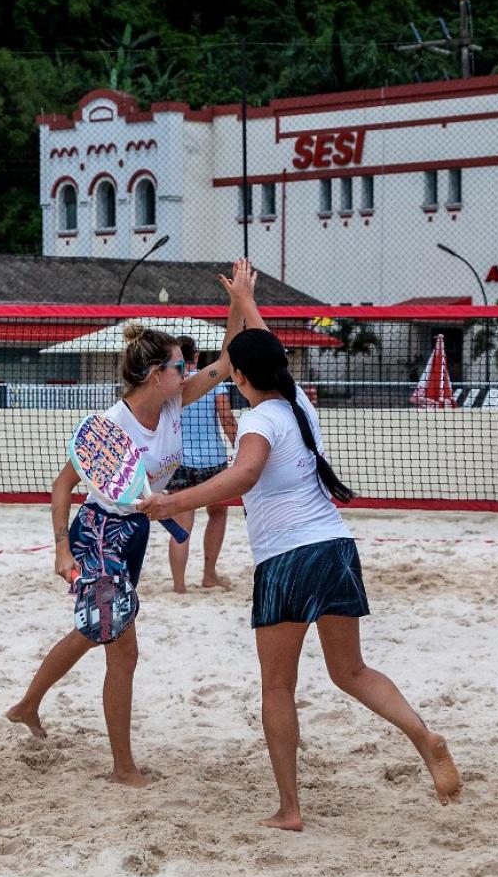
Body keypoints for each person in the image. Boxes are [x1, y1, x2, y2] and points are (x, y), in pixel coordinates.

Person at [141, 262, 462, 829]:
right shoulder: (297, 404)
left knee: (277, 687)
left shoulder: (259, 422)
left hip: (287, 559)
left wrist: (174, 503)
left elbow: (242, 476)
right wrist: (243, 301)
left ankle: (290, 809)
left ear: (238, 377)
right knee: (352, 671)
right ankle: (424, 736)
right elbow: (268, 351)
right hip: (334, 547)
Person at [5, 274, 248, 786]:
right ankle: (122, 767)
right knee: (122, 646)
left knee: (94, 631)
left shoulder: (176, 404)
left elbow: (227, 362)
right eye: (181, 366)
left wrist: (238, 302)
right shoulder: (110, 425)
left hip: (136, 533)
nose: (188, 372)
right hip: (99, 535)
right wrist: (60, 549)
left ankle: (27, 704)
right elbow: (61, 485)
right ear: (156, 373)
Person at [166, 334, 238, 592]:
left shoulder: (169, 385)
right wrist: (241, 450)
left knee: (182, 525)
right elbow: (227, 420)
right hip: (213, 460)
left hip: (178, 462)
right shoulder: (214, 383)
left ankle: (179, 586)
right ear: (196, 356)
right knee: (217, 515)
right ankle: (209, 575)